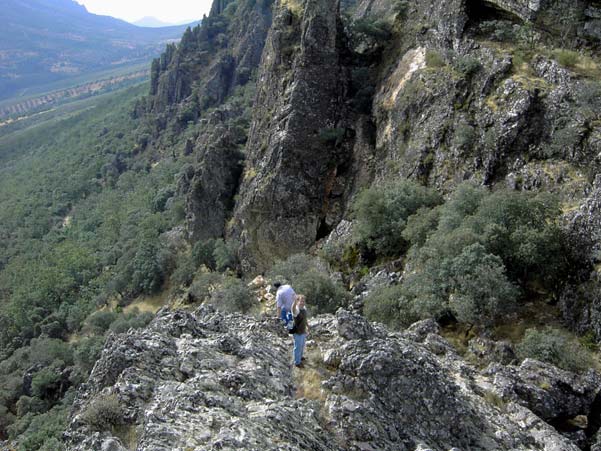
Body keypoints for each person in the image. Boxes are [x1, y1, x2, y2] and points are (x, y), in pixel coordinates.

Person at [291, 294, 308, 368]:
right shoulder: (296, 310)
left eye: (303, 301)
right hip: (297, 331)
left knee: (302, 345)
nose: (302, 303)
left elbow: (305, 318)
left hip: (303, 330)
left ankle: (300, 357)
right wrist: (294, 302)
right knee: (297, 347)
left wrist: (307, 326)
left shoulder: (304, 308)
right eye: (301, 301)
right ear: (297, 301)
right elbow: (293, 309)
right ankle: (297, 362)